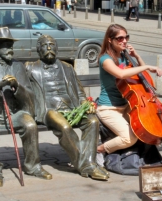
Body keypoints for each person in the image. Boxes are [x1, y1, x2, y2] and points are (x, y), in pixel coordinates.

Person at [0, 27, 52, 187]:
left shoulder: (18, 66)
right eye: (6, 45)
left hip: (13, 111)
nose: (10, 49)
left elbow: (30, 95)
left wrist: (17, 86)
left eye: (11, 45)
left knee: (30, 124)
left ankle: (33, 166)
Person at [25, 35, 109, 181]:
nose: (49, 48)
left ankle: (89, 162)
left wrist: (84, 104)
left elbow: (79, 90)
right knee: (64, 126)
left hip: (71, 108)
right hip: (49, 110)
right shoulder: (30, 68)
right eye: (45, 45)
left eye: (52, 45)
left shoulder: (67, 67)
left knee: (93, 121)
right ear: (38, 49)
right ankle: (86, 166)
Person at [96, 24, 162, 160]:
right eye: (120, 38)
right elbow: (121, 74)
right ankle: (98, 150)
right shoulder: (105, 59)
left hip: (126, 106)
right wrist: (146, 66)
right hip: (108, 108)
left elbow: (143, 75)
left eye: (126, 37)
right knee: (129, 138)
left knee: (147, 127)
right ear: (110, 40)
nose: (124, 41)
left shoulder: (124, 56)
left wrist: (136, 56)